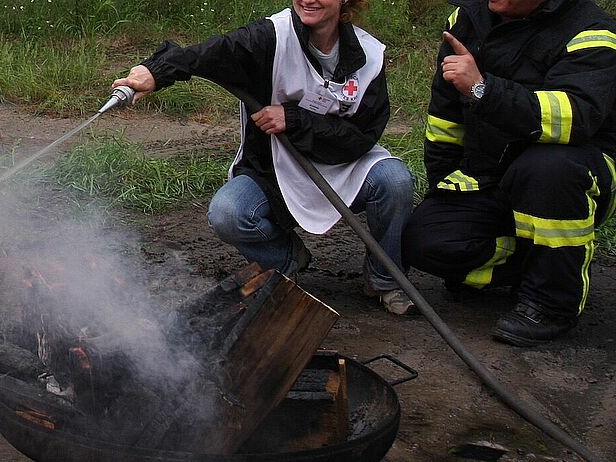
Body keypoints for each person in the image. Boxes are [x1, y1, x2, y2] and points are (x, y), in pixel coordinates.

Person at [113, 0, 417, 314]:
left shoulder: (368, 55)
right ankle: (286, 260)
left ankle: (385, 280)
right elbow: (213, 53)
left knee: (395, 180)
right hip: (275, 166)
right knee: (229, 212)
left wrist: (294, 119)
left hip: (345, 163)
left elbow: (362, 138)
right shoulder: (273, 35)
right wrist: (154, 72)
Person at [402, 0, 616, 346]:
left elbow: (574, 118)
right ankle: (540, 265)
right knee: (424, 241)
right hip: (491, 173)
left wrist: (482, 90)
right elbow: (446, 118)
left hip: (571, 179)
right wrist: (442, 189)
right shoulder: (467, 18)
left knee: (547, 166)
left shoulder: (591, 31)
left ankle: (551, 304)